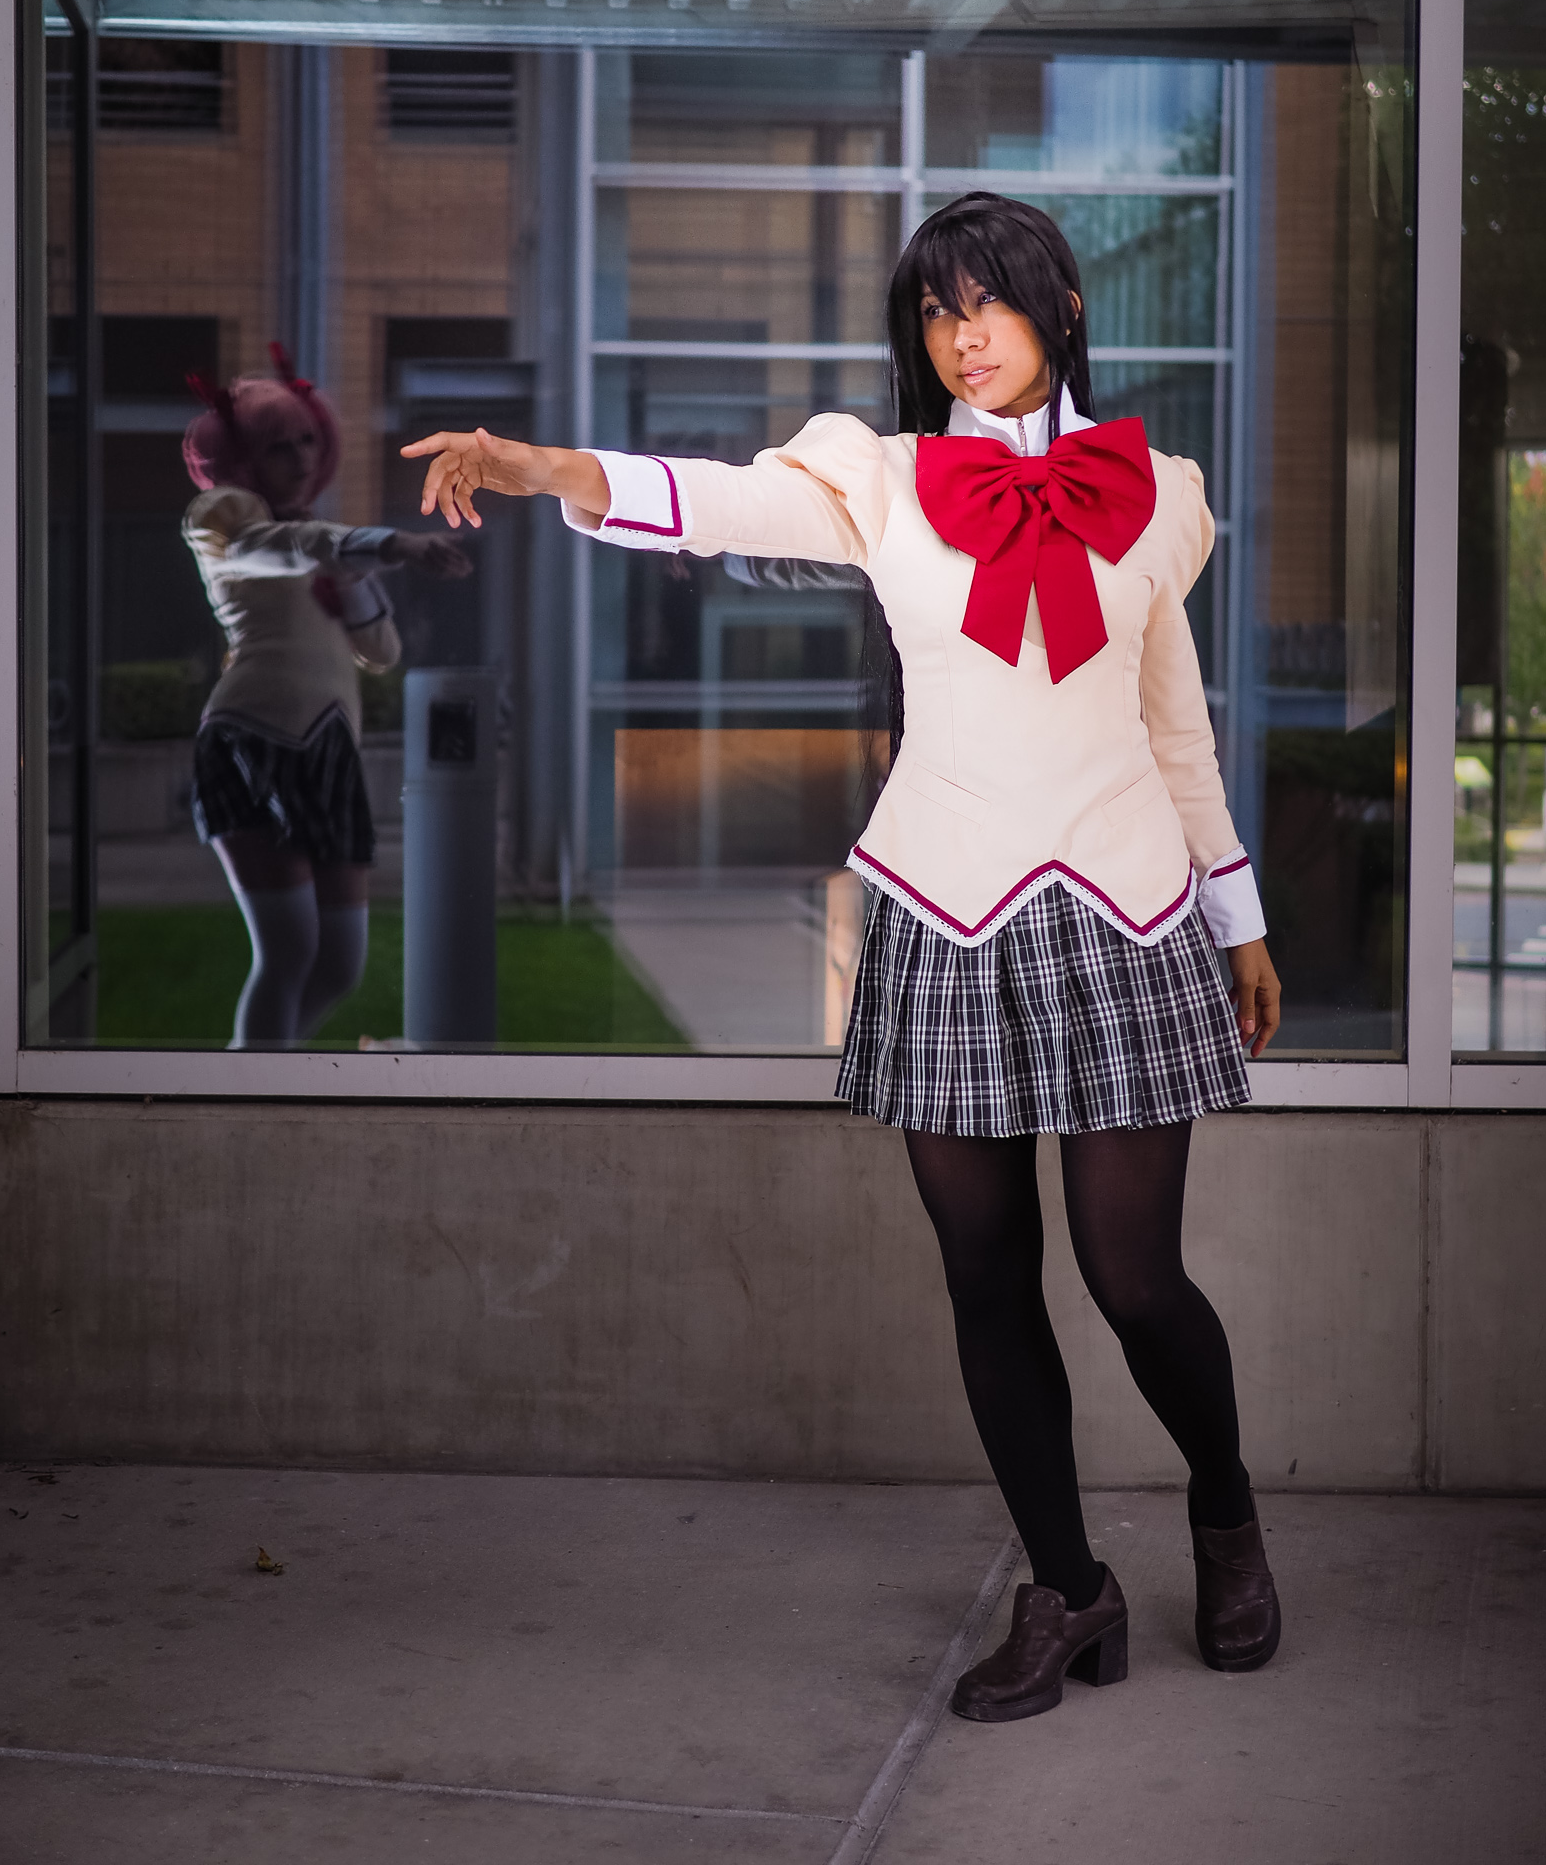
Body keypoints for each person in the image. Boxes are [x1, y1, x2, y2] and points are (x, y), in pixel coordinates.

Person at [402, 193, 1283, 1723]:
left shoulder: (1157, 495)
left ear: (1061, 308)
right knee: (983, 1275)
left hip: (1129, 910)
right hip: (944, 910)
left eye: (987, 301)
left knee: (1133, 1276)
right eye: (936, 311)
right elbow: (716, 498)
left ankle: (1224, 1513)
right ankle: (1067, 1589)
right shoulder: (881, 479)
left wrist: (1236, 915)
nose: (962, 335)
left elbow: (1172, 726)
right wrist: (537, 466)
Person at [183, 345, 468, 1048]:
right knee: (288, 952)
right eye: (278, 446)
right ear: (243, 456)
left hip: (329, 746)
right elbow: (275, 546)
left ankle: (260, 1072)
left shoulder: (321, 541)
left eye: (308, 440)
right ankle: (252, 1087)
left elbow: (382, 652)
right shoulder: (224, 515)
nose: (301, 457)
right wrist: (392, 546)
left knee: (339, 962)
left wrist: (361, 570)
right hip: (253, 737)